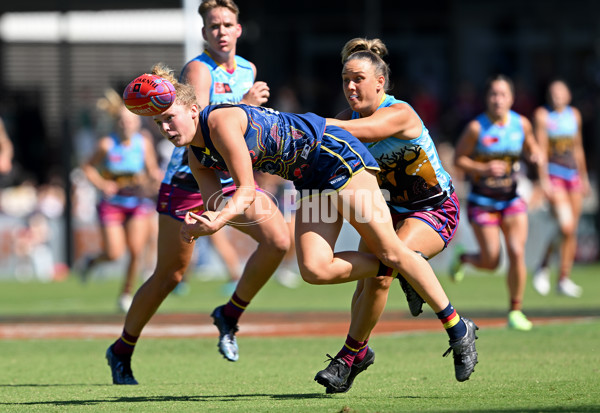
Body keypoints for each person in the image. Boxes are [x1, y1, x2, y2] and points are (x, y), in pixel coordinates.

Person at [149, 62, 478, 389]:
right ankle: (407, 269)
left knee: (393, 252)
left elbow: (245, 189)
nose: (166, 128)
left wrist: (217, 220)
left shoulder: (219, 121)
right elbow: (218, 204)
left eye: (170, 118)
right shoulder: (196, 156)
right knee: (314, 269)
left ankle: (457, 327)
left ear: (194, 110)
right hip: (306, 177)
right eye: (159, 122)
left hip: (332, 154)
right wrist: (209, 224)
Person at [105, 0, 290, 385]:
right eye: (214, 25)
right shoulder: (197, 68)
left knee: (277, 240)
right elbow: (200, 120)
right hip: (189, 178)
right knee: (170, 275)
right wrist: (247, 107)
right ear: (204, 33)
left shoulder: (247, 69)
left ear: (239, 29)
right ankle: (122, 348)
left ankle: (230, 314)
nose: (221, 30)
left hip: (224, 177)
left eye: (228, 23)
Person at [312, 38, 474, 393]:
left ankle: (350, 357)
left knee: (384, 269)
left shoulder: (399, 113)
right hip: (386, 213)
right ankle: (360, 351)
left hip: (433, 210)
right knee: (374, 279)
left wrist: (301, 124)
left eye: (358, 79)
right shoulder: (342, 120)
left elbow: (361, 131)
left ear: (380, 82)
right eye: (344, 80)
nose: (350, 87)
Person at [451, 74, 550, 331]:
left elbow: (532, 148)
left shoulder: (521, 124)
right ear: (487, 98)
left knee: (517, 251)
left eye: (503, 94)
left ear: (511, 98)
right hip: (482, 201)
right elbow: (459, 160)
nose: (498, 99)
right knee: (492, 261)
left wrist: (536, 155)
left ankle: (515, 310)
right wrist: (483, 168)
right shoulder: (476, 128)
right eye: (493, 94)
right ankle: (465, 259)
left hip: (512, 199)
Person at [81, 91, 162, 312]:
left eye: (131, 121)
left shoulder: (143, 142)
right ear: (117, 123)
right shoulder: (107, 144)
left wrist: (153, 179)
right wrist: (102, 184)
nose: (127, 125)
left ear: (137, 123)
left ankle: (126, 293)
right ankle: (92, 262)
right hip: (112, 203)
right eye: (123, 121)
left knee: (136, 250)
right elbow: (87, 167)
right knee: (114, 253)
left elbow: (151, 170)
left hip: (137, 202)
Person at [531, 80, 589, 298]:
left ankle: (563, 278)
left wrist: (583, 177)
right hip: (554, 176)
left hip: (572, 176)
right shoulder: (543, 116)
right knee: (565, 226)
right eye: (552, 92)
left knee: (571, 229)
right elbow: (542, 148)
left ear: (568, 95)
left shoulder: (574, 115)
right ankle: (543, 264)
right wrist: (543, 179)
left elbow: (578, 148)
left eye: (560, 92)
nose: (556, 96)